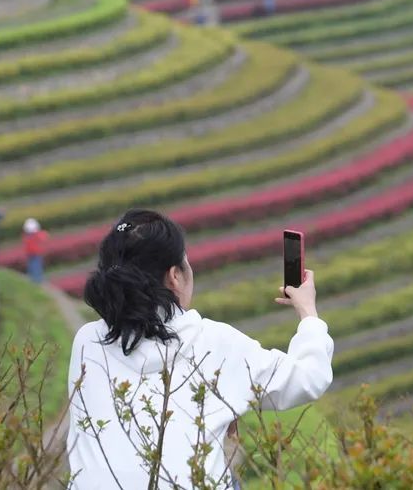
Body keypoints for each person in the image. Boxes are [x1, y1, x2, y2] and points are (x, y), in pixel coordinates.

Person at [67, 209, 333, 489]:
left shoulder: (88, 342)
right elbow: (308, 378)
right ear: (174, 277)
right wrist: (308, 310)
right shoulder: (213, 343)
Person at [22, 218, 49, 283]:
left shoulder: (26, 236)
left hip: (31, 254)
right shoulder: (36, 235)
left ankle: (34, 279)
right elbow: (45, 237)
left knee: (33, 267)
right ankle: (37, 280)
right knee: (36, 267)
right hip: (36, 253)